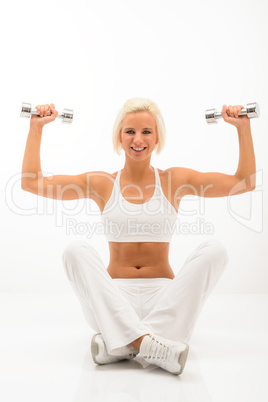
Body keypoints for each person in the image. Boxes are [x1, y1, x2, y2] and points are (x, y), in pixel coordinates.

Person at [21, 97, 256, 375]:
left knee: (215, 250)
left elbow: (245, 181)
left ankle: (119, 344)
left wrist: (243, 127)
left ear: (157, 139)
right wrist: (36, 126)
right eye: (130, 131)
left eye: (146, 132)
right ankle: (150, 344)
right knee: (75, 250)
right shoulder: (102, 183)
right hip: (113, 299)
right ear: (119, 137)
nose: (138, 139)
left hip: (165, 299)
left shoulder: (174, 180)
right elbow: (30, 182)